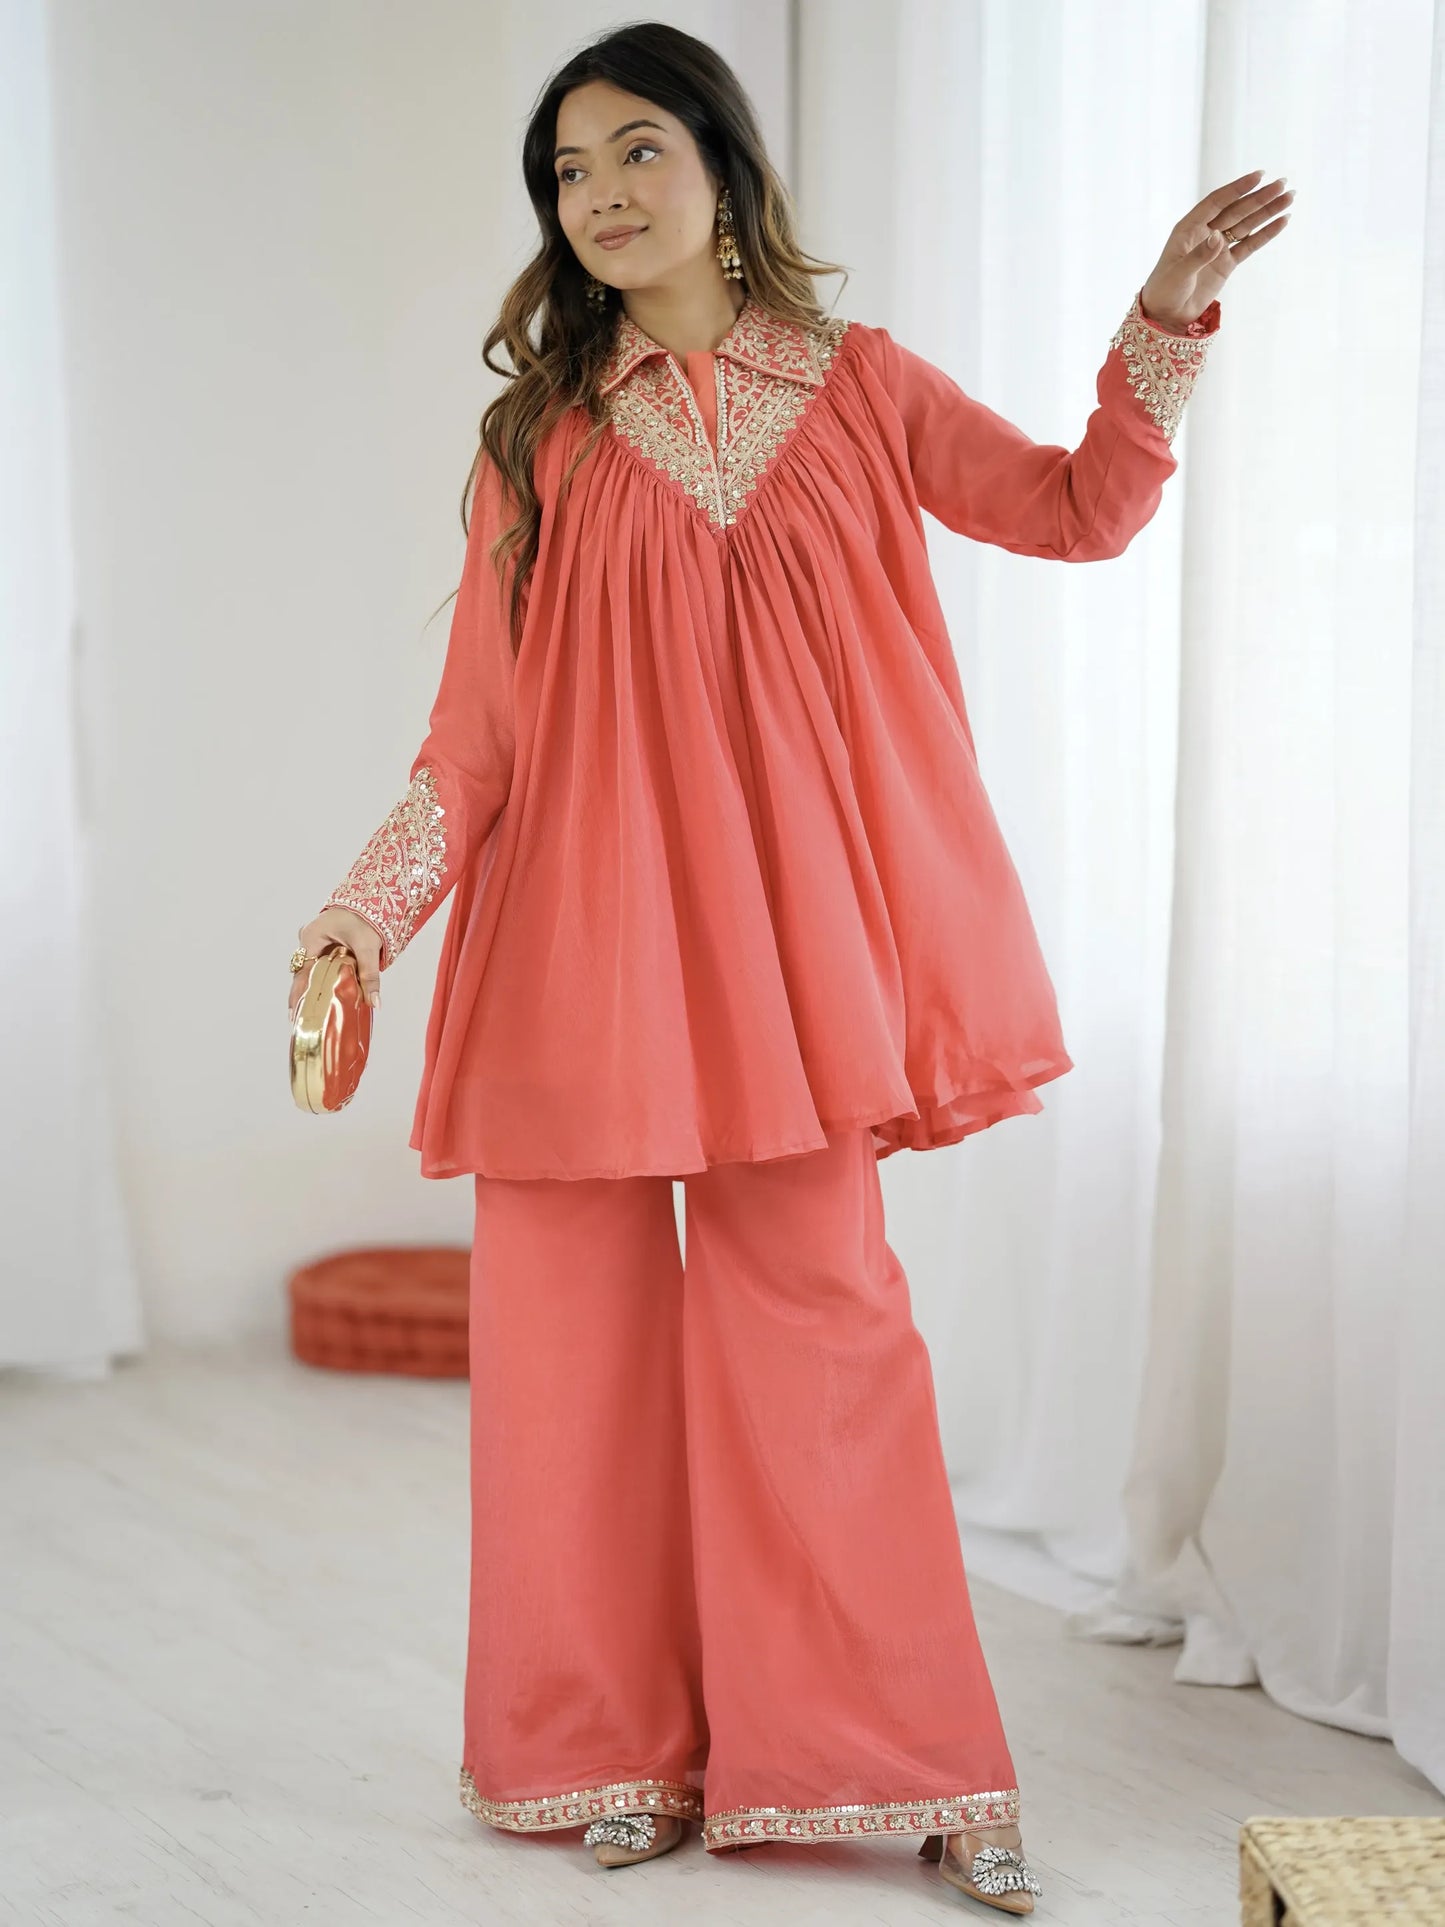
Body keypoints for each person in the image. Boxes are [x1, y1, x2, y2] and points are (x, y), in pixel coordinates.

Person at [288, 19, 1290, 1912]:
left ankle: (886, 1759)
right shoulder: (537, 443)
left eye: (634, 152)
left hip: (787, 976)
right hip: (578, 966)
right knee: (572, 1366)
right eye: (567, 173)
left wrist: (1166, 318)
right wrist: (359, 915)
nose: (598, 196)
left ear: (723, 169)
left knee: (822, 1346)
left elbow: (1075, 510)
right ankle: (602, 1746)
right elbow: (473, 744)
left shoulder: (857, 383)